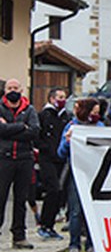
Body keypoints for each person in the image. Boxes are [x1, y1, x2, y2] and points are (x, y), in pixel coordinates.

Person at [58, 98, 104, 252]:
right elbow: (61, 153)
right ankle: (74, 245)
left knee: (92, 210)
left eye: (97, 113)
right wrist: (68, 142)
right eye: (94, 112)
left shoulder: (99, 127)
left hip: (95, 174)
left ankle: (91, 245)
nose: (96, 115)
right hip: (77, 174)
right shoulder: (72, 127)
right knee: (76, 211)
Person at [0, 79, 41, 249]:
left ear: (21, 90)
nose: (12, 90)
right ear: (5, 90)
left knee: (21, 199)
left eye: (15, 88)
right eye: (10, 88)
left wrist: (8, 129)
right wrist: (20, 127)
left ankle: (19, 236)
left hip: (24, 159)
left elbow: (34, 131)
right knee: (0, 198)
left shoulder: (29, 109)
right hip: (4, 158)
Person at [35, 87, 70, 240]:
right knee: (53, 189)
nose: (62, 100)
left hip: (61, 159)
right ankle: (44, 224)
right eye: (59, 97)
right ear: (51, 99)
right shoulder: (43, 115)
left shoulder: (65, 117)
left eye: (64, 97)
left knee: (60, 192)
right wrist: (47, 149)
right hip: (47, 158)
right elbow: (37, 136)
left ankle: (50, 224)